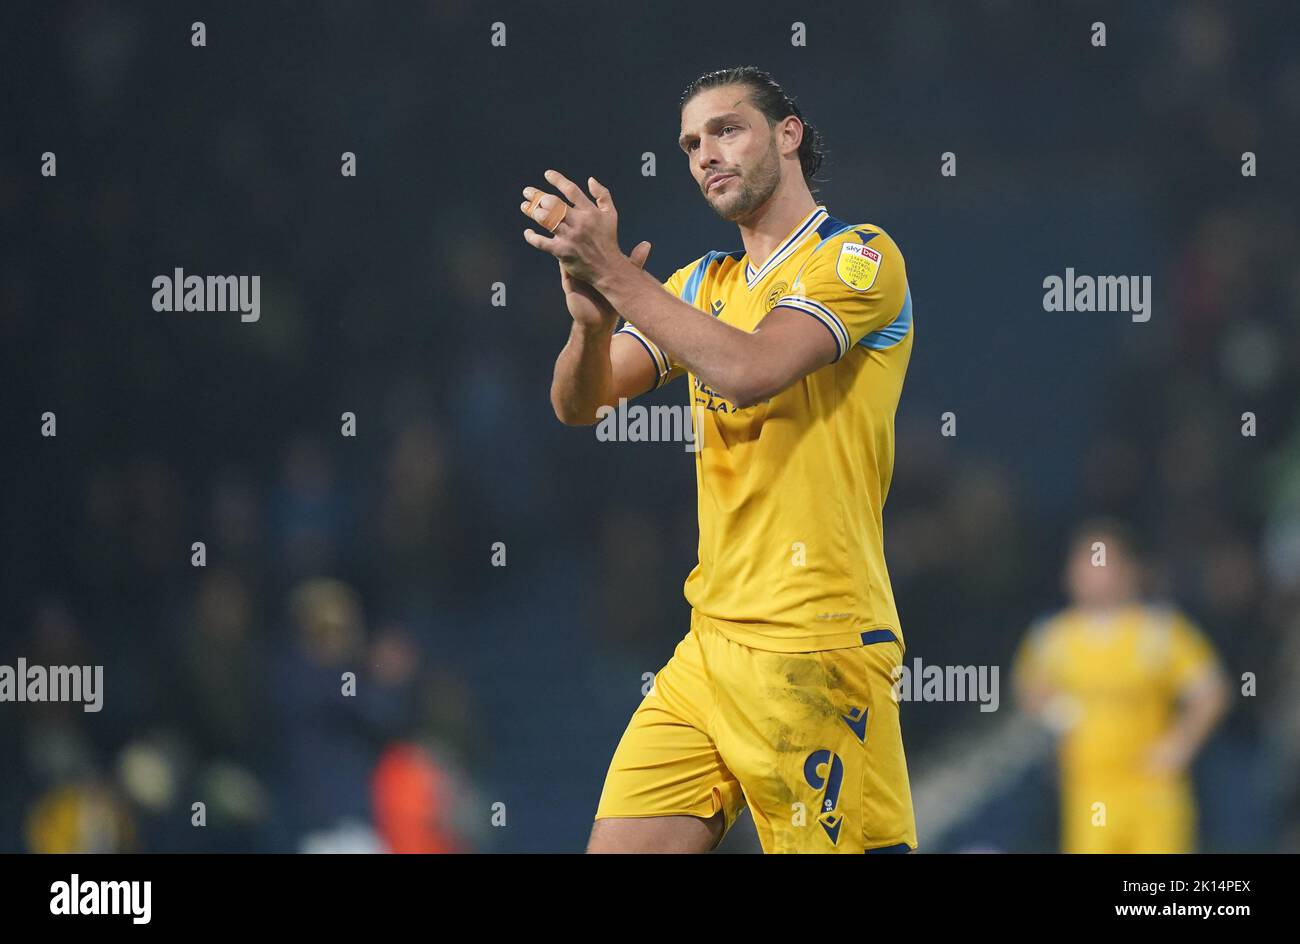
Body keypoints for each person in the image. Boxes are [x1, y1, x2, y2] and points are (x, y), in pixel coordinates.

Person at [525, 66, 916, 853]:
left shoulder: (858, 259)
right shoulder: (702, 284)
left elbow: (749, 368)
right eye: (690, 144)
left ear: (788, 133)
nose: (706, 153)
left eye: (727, 130)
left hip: (815, 649)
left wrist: (618, 276)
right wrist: (591, 322)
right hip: (709, 649)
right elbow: (579, 404)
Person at [1014, 519, 1229, 853]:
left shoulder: (1160, 631)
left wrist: (1181, 743)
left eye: (1101, 560)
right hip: (1088, 789)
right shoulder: (1053, 638)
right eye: (1083, 562)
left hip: (1153, 788)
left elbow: (1211, 691)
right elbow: (1029, 692)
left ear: (1129, 569)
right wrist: (1053, 712)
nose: (1091, 572)